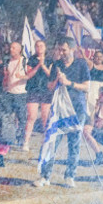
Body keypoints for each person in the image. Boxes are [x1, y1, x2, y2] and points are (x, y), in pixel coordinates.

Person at [34, 37, 90, 188]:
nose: (61, 52)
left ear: (72, 49)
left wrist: (69, 83)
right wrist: (57, 80)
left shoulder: (81, 64)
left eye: (64, 50)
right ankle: (45, 176)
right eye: (59, 49)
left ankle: (70, 175)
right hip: (59, 109)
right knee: (52, 140)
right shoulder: (57, 65)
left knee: (74, 143)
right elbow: (50, 87)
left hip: (76, 109)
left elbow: (86, 87)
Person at [22, 40, 53, 152]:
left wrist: (43, 65)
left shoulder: (50, 60)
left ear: (45, 47)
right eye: (37, 46)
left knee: (45, 118)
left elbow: (51, 75)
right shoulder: (31, 59)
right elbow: (28, 75)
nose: (39, 48)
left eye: (41, 45)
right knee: (31, 117)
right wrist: (38, 65)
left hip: (45, 90)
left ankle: (45, 141)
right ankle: (26, 142)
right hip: (33, 90)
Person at [0, 42, 28, 147]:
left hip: (21, 93)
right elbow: (6, 76)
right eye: (11, 47)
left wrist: (22, 77)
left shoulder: (24, 61)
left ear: (19, 49)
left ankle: (21, 140)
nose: (11, 49)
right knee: (8, 116)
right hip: (9, 93)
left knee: (21, 118)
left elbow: (30, 75)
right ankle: (9, 138)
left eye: (14, 48)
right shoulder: (7, 61)